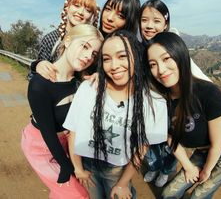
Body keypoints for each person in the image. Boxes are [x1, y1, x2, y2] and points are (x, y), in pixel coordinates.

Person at [63, 30, 168, 199]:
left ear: (136, 56)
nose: (113, 66)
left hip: (117, 170)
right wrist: (78, 169)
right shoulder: (89, 89)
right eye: (106, 59)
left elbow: (142, 147)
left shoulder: (153, 102)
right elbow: (74, 130)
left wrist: (123, 183)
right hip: (87, 165)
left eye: (122, 56)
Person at [146, 32, 221, 199]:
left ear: (180, 56)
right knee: (168, 194)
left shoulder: (209, 93)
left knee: (199, 195)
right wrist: (188, 166)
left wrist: (206, 171)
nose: (161, 70)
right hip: (201, 152)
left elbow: (218, 144)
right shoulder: (160, 101)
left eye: (166, 59)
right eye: (153, 64)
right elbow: (170, 138)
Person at [21, 24, 104, 199]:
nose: (88, 56)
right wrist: (67, 166)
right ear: (67, 40)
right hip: (42, 147)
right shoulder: (40, 84)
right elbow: (48, 134)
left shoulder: (79, 81)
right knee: (77, 195)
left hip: (66, 142)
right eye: (84, 46)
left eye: (94, 54)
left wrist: (99, 76)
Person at [139, 0, 176, 187]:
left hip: (172, 109)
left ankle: (166, 171)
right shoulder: (138, 49)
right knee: (151, 143)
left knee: (170, 146)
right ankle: (153, 167)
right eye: (144, 20)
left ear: (166, 23)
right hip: (149, 109)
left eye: (156, 20)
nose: (149, 26)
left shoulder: (174, 48)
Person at [30, 0, 99, 81]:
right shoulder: (51, 38)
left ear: (91, 16)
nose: (81, 12)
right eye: (77, 6)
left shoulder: (93, 44)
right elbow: (34, 78)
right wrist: (37, 65)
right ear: (67, 7)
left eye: (88, 10)